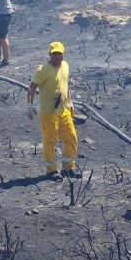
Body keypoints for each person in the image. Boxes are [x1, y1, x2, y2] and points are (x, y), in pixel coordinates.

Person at [27, 41, 79, 182]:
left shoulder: (66, 66)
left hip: (64, 110)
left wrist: (69, 101)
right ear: (50, 54)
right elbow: (32, 87)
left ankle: (69, 168)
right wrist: (29, 105)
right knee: (50, 140)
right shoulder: (43, 69)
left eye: (59, 54)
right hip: (48, 112)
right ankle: (51, 171)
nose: (57, 56)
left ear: (63, 54)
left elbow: (65, 84)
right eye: (54, 54)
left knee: (71, 137)